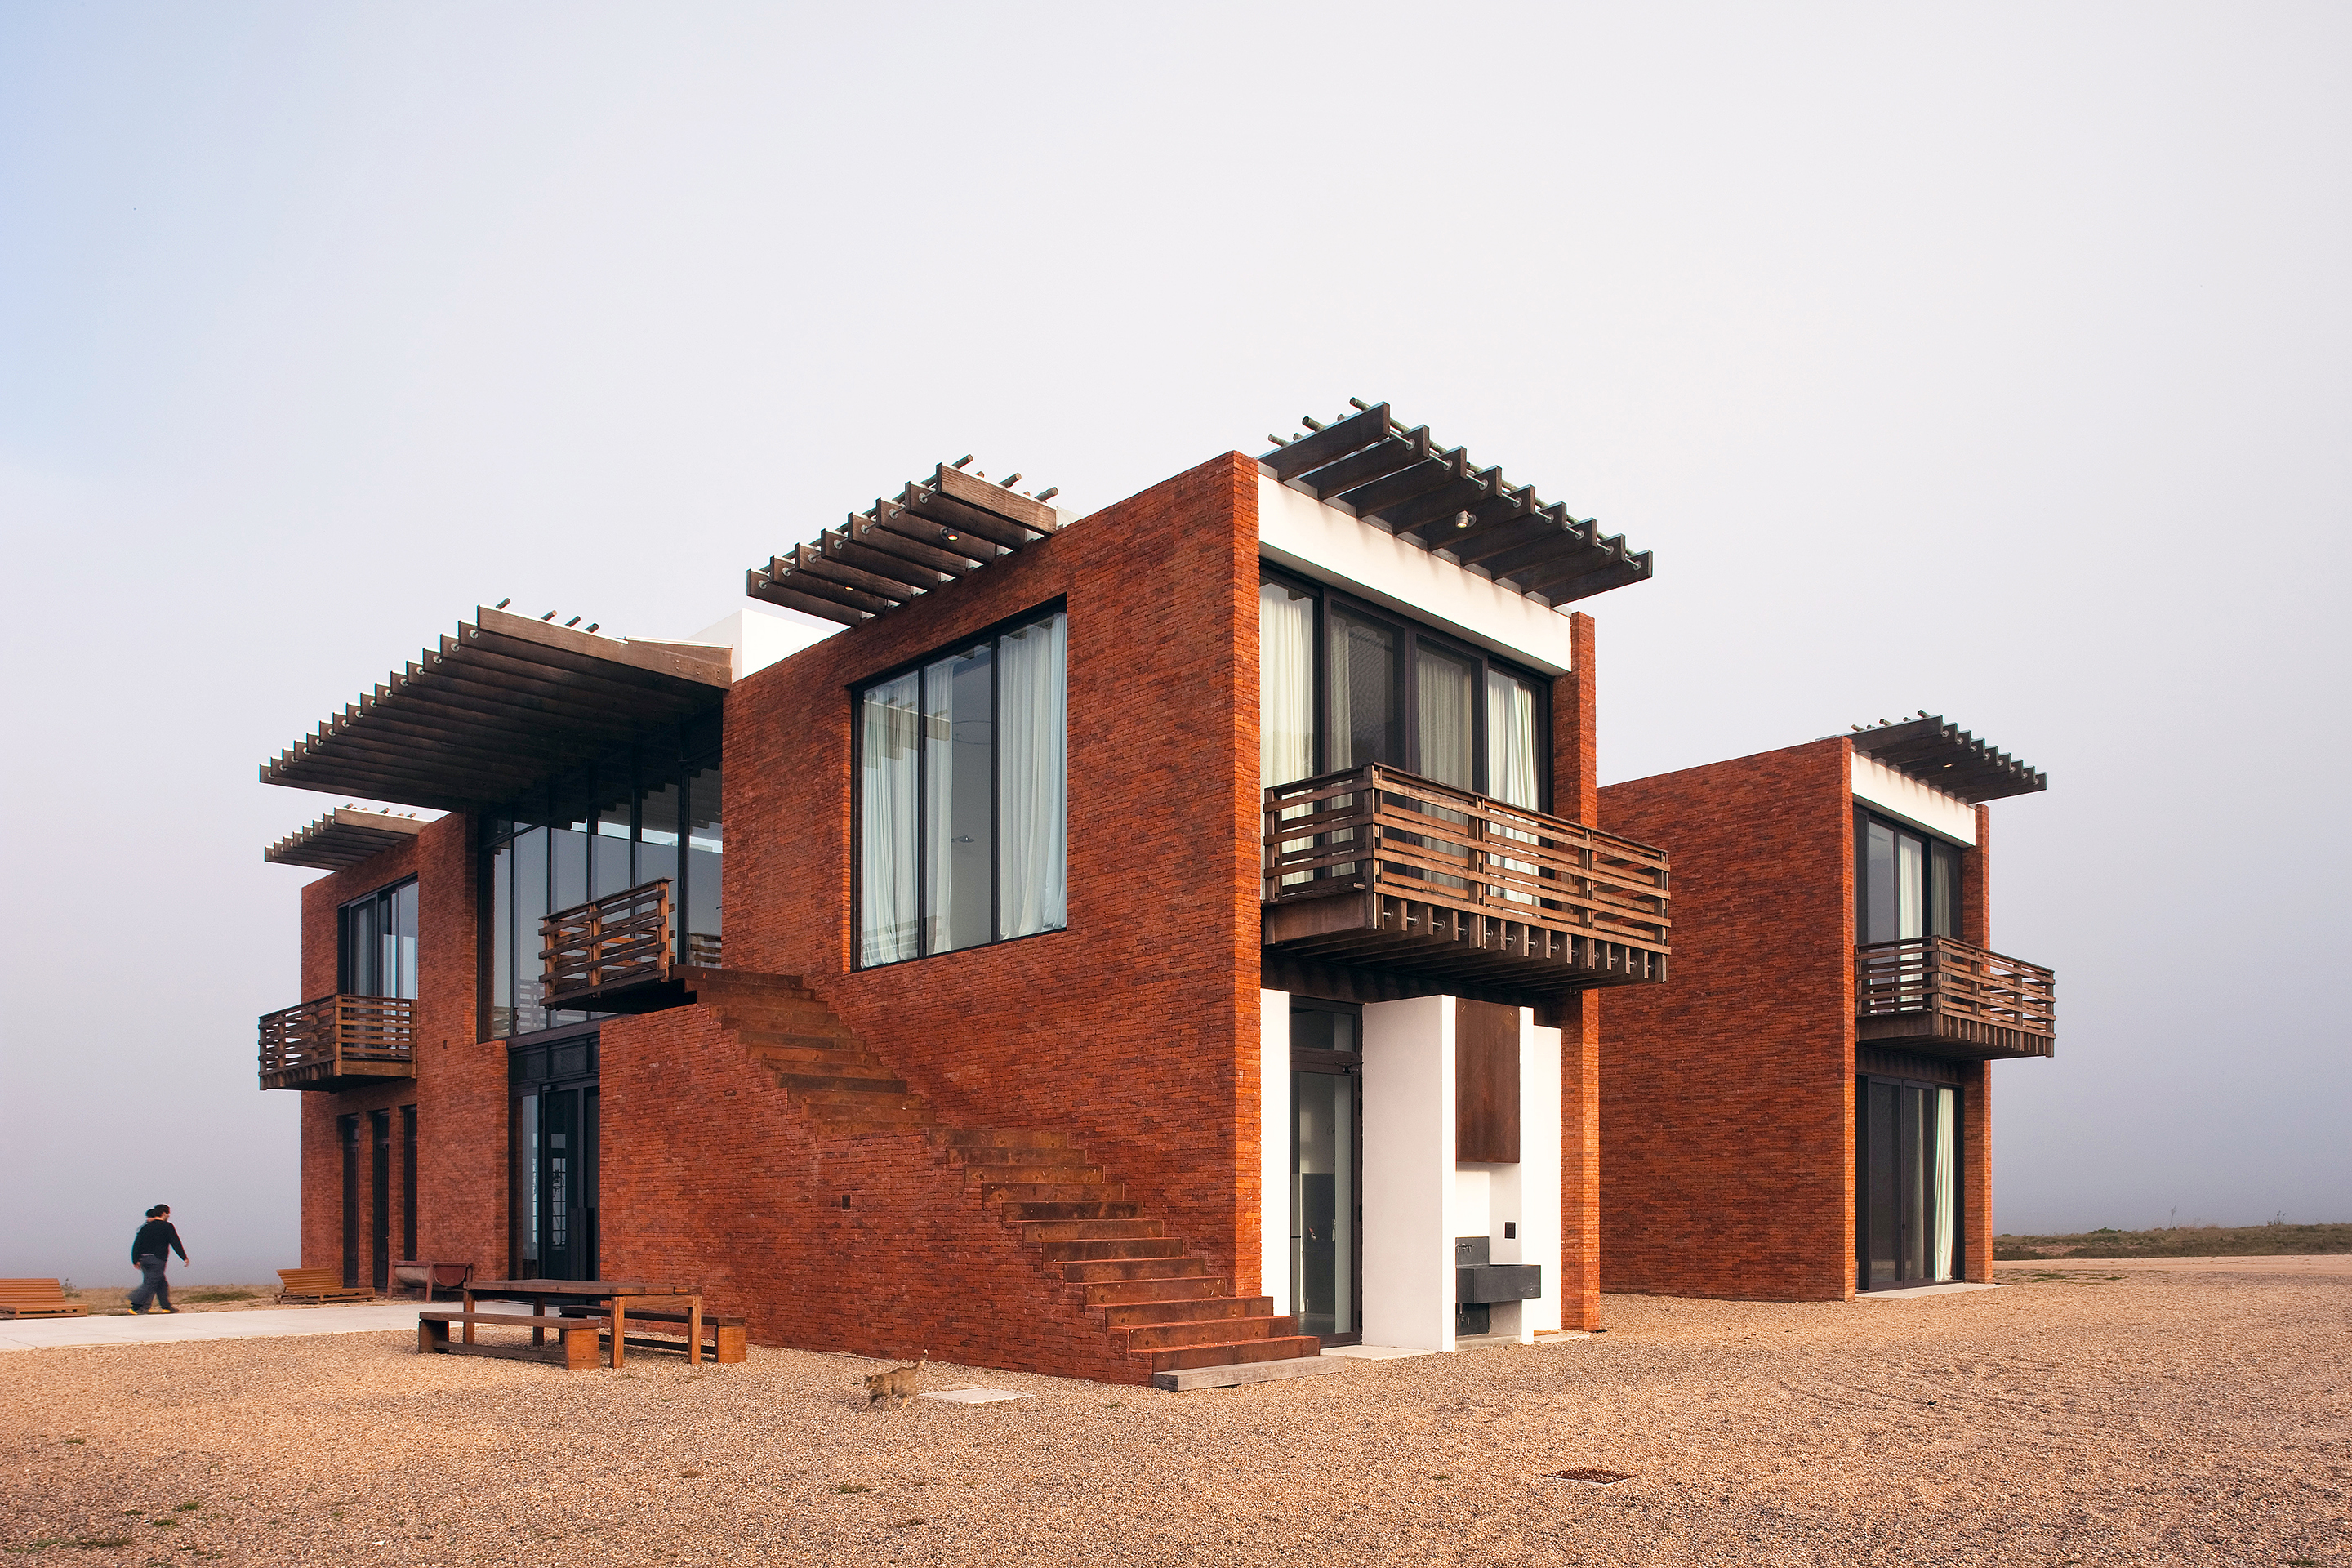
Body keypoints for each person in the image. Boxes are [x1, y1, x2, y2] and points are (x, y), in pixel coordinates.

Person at [127, 1204, 188, 1314]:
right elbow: (175, 1242)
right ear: (164, 1213)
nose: (169, 1216)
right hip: (157, 1259)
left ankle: (166, 1307)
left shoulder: (145, 1227)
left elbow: (137, 1244)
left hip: (144, 1259)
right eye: (168, 1214)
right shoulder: (167, 1226)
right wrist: (184, 1257)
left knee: (162, 1283)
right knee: (150, 1284)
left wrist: (135, 1260)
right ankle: (135, 1307)